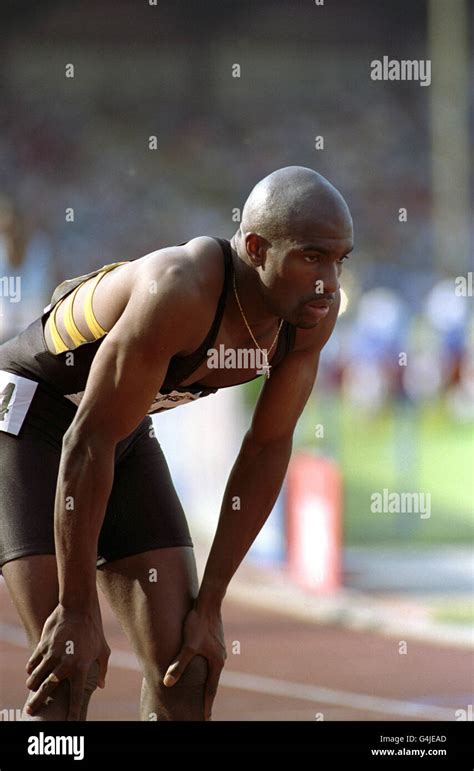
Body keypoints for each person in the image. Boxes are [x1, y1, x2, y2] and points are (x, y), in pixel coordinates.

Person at [0, 166, 353, 721]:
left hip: (117, 426)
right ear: (257, 248)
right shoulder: (180, 289)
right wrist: (76, 605)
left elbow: (265, 451)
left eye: (340, 260)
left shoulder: (309, 317)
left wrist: (210, 604)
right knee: (68, 669)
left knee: (186, 669)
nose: (330, 283)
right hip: (30, 421)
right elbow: (84, 442)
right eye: (312, 257)